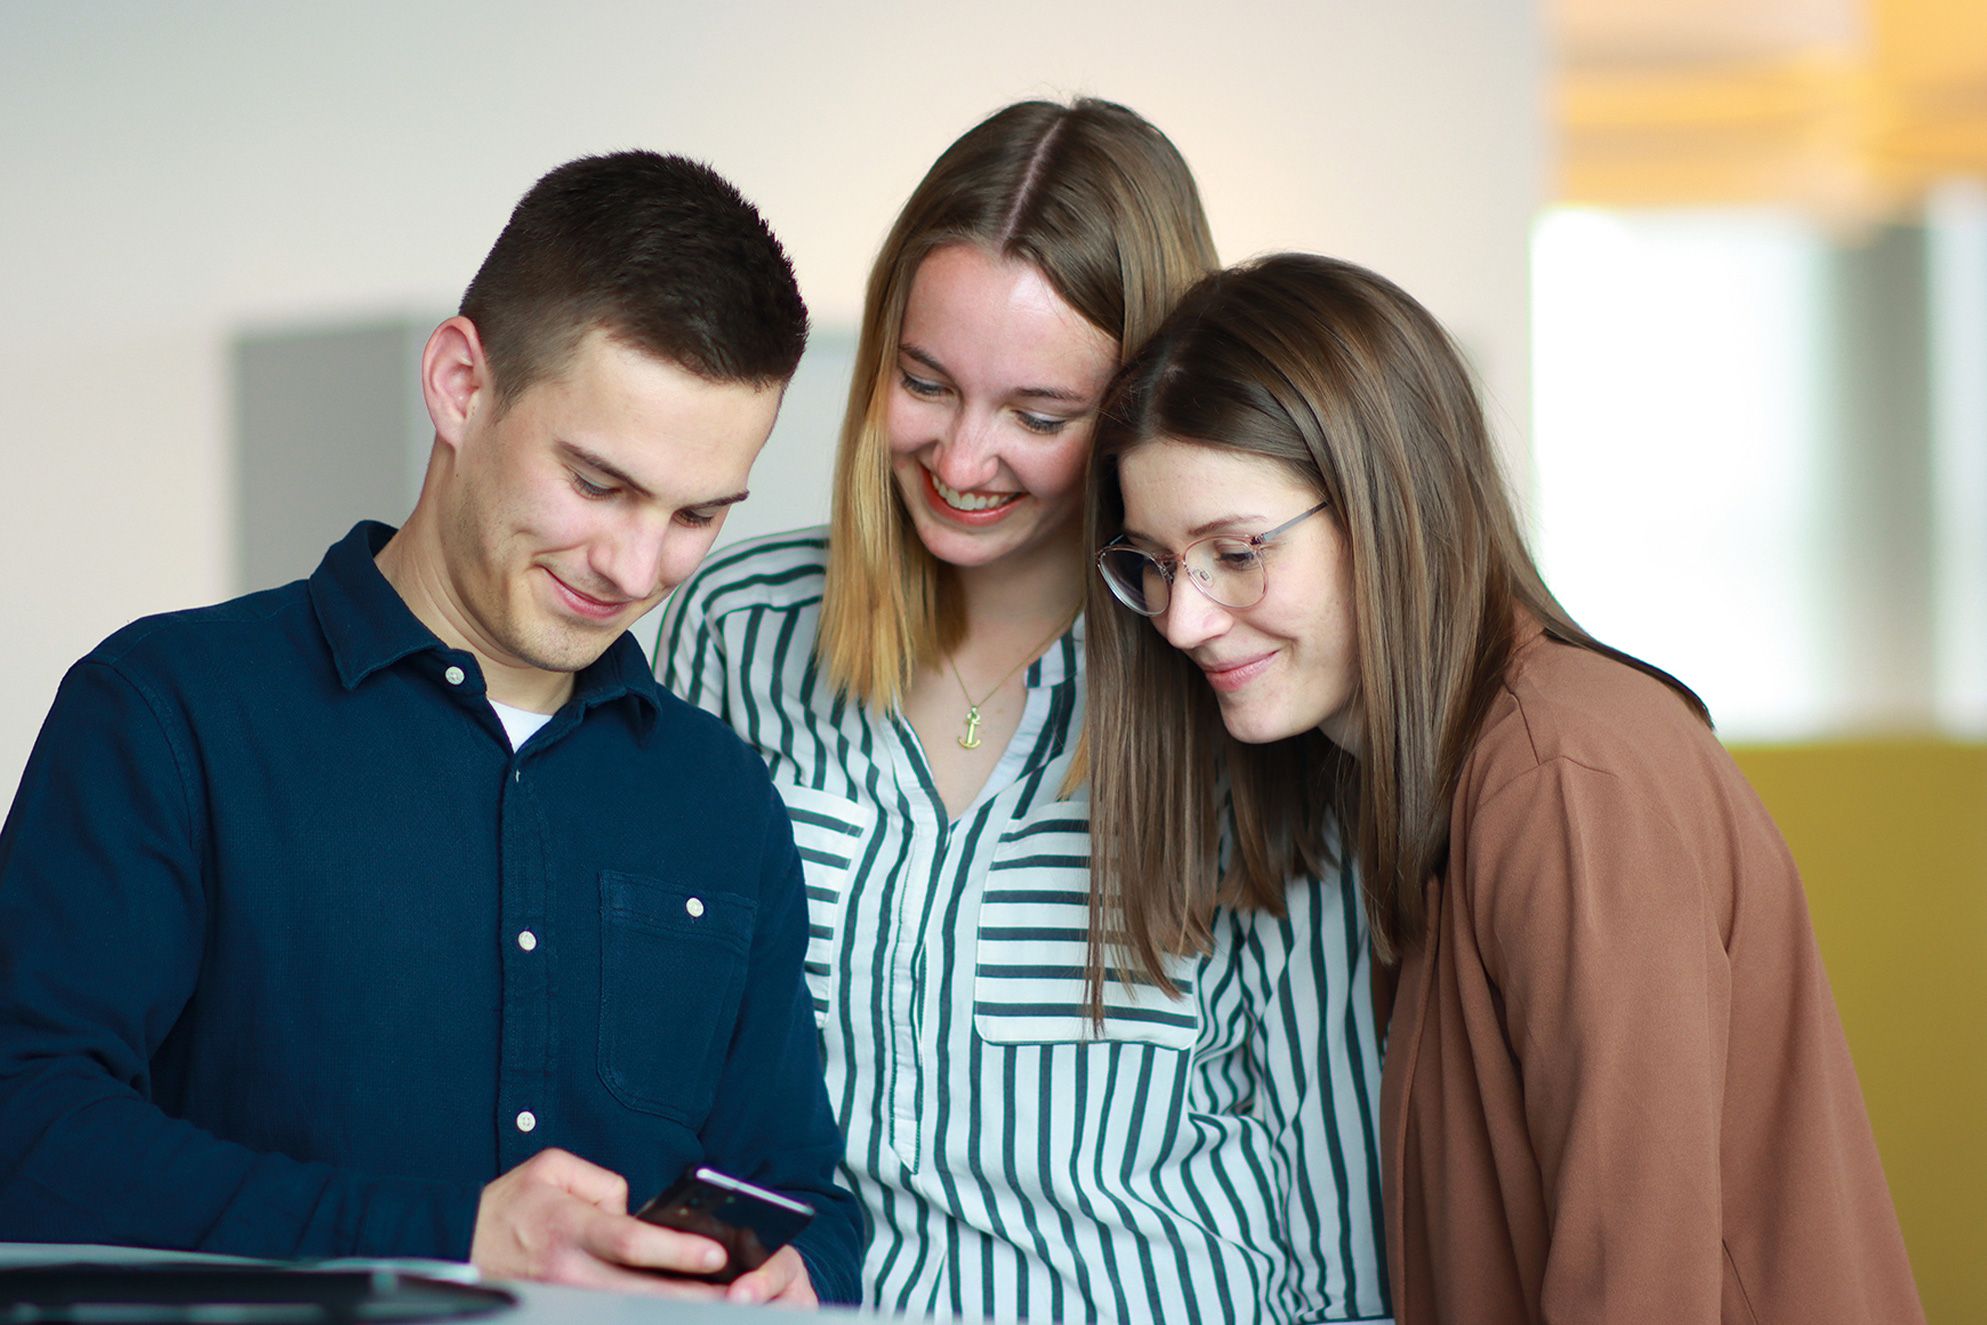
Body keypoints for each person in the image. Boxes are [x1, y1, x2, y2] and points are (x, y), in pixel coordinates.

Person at [0, 151, 862, 1305]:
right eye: (598, 482)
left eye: (696, 512)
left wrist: (810, 1262)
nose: (636, 564)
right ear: (460, 383)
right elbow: (27, 1125)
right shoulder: (166, 712)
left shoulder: (719, 798)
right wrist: (449, 1234)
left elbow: (795, 1181)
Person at [1084, 251, 1925, 1323]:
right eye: (1152, 562)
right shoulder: (1443, 778)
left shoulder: (1560, 777)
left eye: (1237, 551)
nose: (1181, 617)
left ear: (1390, 505)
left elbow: (1634, 1288)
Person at [658, 100, 1390, 1323]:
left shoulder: (1248, 689)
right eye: (924, 382)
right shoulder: (737, 631)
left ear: (1142, 406)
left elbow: (1341, 1213)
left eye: (1039, 417)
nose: (961, 456)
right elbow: (659, 1061)